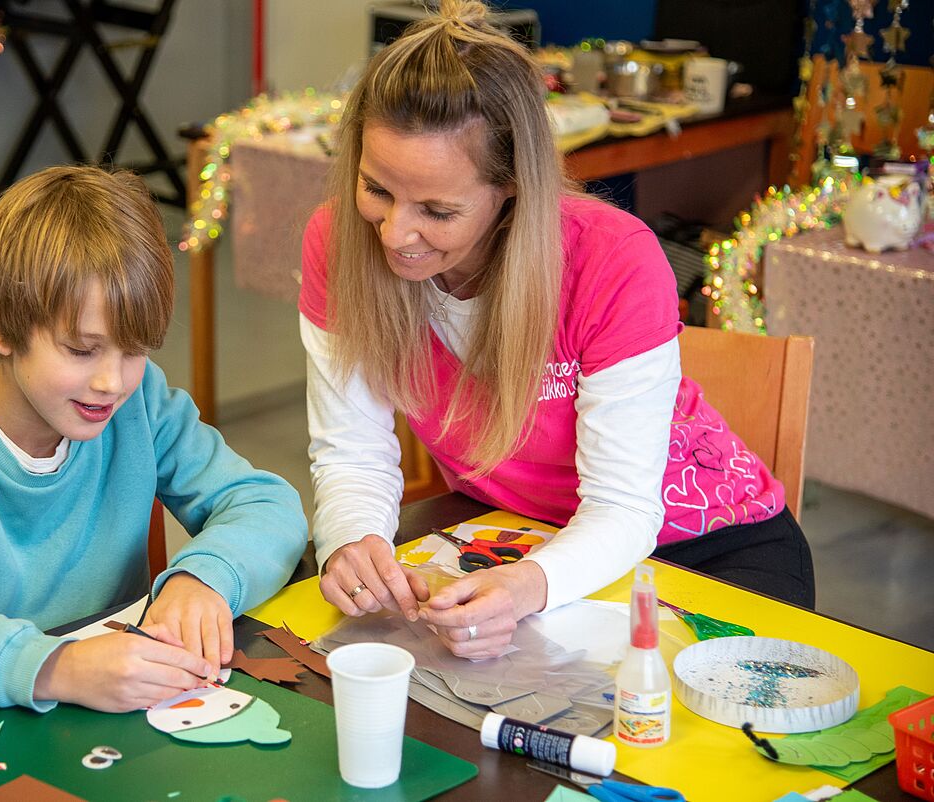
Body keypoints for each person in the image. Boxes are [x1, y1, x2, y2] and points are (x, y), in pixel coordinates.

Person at [300, 0, 814, 660]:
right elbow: (351, 451)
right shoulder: (339, 242)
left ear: (511, 189)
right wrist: (353, 540)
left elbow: (623, 511)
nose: (395, 234)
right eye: (376, 189)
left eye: (437, 209)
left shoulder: (611, 260)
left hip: (710, 552)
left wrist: (525, 589)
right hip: (512, 536)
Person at [0, 166, 308, 712]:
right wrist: (53, 666)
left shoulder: (138, 401)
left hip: (109, 716)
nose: (112, 382)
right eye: (81, 350)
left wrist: (203, 578)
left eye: (135, 349)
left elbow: (266, 503)